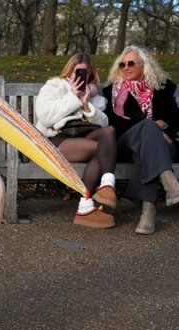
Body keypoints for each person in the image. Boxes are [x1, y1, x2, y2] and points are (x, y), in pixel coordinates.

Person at [102, 45, 179, 235]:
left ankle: (148, 211)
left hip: (161, 145)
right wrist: (151, 126)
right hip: (125, 144)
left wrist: (163, 127)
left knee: (148, 147)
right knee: (148, 127)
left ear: (145, 65)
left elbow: (177, 118)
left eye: (131, 63)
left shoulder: (161, 89)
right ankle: (171, 186)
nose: (125, 67)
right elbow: (111, 123)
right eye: (122, 64)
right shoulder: (112, 93)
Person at [35, 53, 118, 228]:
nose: (80, 76)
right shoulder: (53, 87)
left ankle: (105, 189)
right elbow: (46, 117)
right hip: (57, 141)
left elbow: (104, 123)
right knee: (102, 150)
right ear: (69, 72)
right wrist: (72, 98)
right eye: (76, 72)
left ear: (90, 74)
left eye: (85, 73)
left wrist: (87, 105)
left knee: (109, 132)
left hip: (83, 139)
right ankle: (86, 206)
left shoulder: (94, 95)